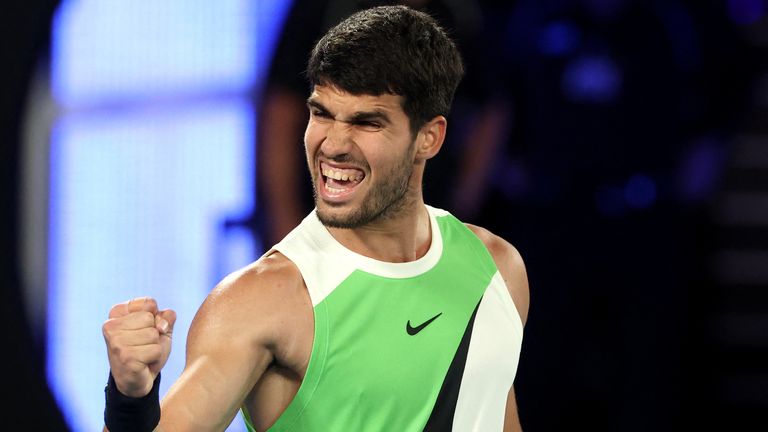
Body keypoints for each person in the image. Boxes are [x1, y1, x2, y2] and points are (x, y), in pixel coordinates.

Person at [101, 6, 529, 431]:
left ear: (429, 138)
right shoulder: (263, 300)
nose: (333, 145)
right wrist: (129, 399)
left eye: (367, 122)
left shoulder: (497, 268)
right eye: (321, 113)